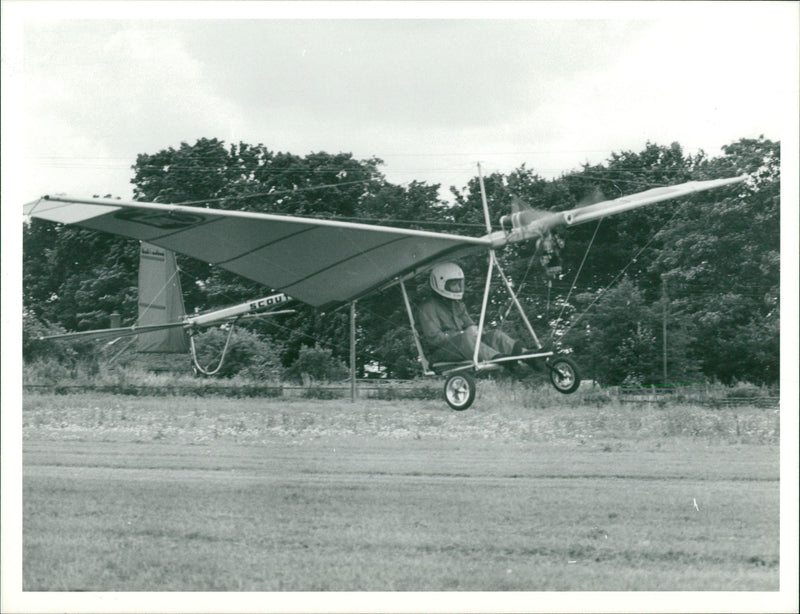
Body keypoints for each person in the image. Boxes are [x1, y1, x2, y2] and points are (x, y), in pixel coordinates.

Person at [417, 262, 529, 364]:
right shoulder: (428, 307)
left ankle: (527, 355)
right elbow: (434, 340)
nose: (458, 288)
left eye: (459, 284)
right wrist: (462, 335)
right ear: (441, 284)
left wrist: (475, 331)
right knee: (466, 338)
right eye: (453, 284)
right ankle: (500, 359)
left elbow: (470, 325)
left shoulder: (457, 304)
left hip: (464, 345)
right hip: (441, 352)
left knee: (495, 335)